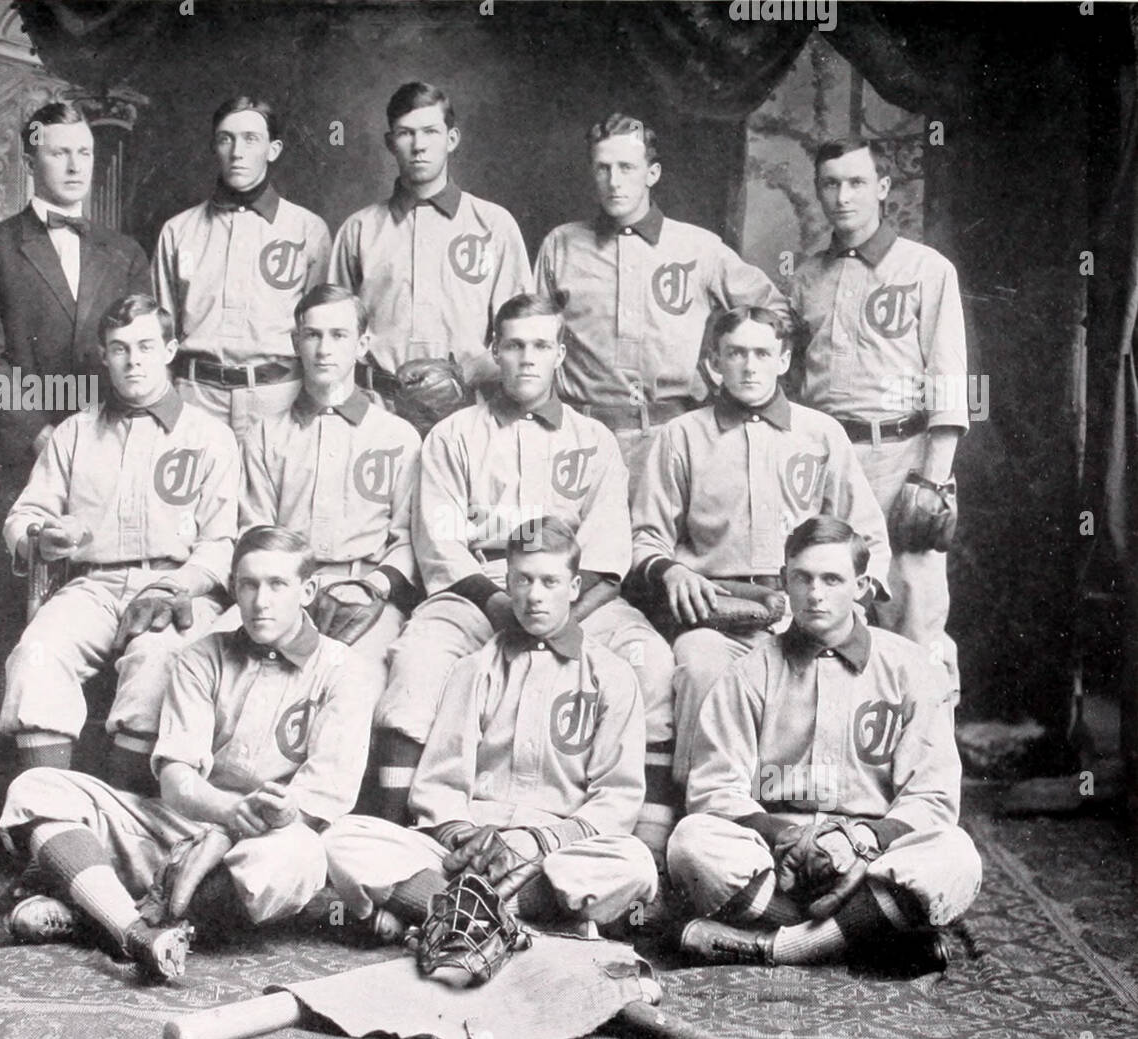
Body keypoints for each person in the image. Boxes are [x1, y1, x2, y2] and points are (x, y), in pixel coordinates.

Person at [373, 294, 676, 871]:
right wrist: (501, 604)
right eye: (514, 345)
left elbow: (608, 551)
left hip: (576, 596)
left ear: (560, 353)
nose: (527, 358)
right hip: (477, 589)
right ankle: (398, 844)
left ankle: (651, 854)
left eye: (541, 345)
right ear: (495, 351)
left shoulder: (594, 439)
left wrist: (552, 612)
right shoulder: (454, 435)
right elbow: (441, 541)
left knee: (650, 659)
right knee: (417, 660)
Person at [0, 526, 378, 981]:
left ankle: (98, 915)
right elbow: (177, 779)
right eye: (248, 584)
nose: (261, 601)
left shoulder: (344, 671)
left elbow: (323, 800)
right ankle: (132, 930)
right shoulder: (202, 656)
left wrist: (234, 832)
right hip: (180, 823)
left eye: (278, 584)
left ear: (308, 590)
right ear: (233, 586)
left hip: (262, 840)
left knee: (301, 859)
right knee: (36, 787)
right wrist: (228, 812)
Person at [665, 516, 981, 968]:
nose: (815, 594)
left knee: (955, 855)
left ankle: (775, 946)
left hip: (872, 858)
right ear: (784, 582)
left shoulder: (911, 670)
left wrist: (860, 839)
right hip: (778, 858)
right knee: (691, 842)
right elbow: (715, 791)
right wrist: (791, 836)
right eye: (803, 578)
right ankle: (867, 933)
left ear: (861, 586)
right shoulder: (748, 673)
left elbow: (931, 796)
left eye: (832, 579)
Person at [325, 517, 657, 937]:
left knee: (633, 864)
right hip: (471, 845)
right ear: (508, 584)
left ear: (573, 588)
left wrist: (537, 843)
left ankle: (449, 912)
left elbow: (617, 798)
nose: (534, 596)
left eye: (550, 582)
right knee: (347, 837)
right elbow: (440, 784)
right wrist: (467, 840)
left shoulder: (611, 675)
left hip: (553, 851)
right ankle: (502, 917)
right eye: (523, 580)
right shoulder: (475, 667)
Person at [0, 100, 150, 778]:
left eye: (84, 153)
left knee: (95, 635)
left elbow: (136, 359)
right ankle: (0, 811)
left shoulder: (123, 254)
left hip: (103, 476)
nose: (73, 165)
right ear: (30, 159)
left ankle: (85, 802)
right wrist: (45, 442)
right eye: (58, 152)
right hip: (12, 472)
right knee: (8, 637)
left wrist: (95, 456)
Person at [631, 305, 890, 782]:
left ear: (784, 360)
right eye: (736, 353)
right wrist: (672, 571)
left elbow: (866, 533)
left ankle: (792, 809)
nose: (749, 366)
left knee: (822, 678)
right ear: (714, 363)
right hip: (717, 612)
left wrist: (853, 600)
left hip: (803, 607)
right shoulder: (681, 435)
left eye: (761, 353)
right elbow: (646, 534)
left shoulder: (820, 434)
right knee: (698, 667)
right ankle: (701, 805)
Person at [0, 295, 238, 791]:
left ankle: (128, 818)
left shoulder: (210, 436)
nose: (133, 361)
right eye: (120, 348)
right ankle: (50, 814)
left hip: (174, 590)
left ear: (170, 350)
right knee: (35, 655)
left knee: (158, 663)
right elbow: (25, 515)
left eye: (146, 346)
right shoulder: (76, 432)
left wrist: (174, 588)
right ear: (104, 356)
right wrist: (42, 538)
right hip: (93, 587)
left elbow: (220, 544)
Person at [789, 137, 967, 696]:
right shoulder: (806, 275)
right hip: (825, 460)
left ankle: (929, 761)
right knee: (830, 605)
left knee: (912, 616)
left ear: (883, 189)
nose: (842, 196)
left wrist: (933, 481)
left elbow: (947, 381)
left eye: (857, 182)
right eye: (830, 183)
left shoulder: (926, 268)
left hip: (900, 458)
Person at [534, 113, 788, 485]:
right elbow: (531, 334)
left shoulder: (698, 247)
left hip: (672, 435)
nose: (614, 181)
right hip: (580, 434)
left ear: (652, 174)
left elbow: (777, 313)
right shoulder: (562, 244)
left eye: (627, 167)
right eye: (603, 168)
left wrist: (713, 373)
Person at [240, 283, 421, 694]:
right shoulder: (266, 434)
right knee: (230, 673)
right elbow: (255, 533)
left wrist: (375, 586)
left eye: (339, 336)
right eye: (313, 335)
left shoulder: (397, 435)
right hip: (281, 593)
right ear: (295, 342)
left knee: (360, 681)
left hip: (365, 592)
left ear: (362, 344)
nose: (324, 349)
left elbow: (409, 537)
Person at [328, 81, 530, 404]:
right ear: (390, 143)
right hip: (379, 406)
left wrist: (465, 377)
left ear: (452, 139)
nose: (418, 145)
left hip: (467, 406)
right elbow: (332, 331)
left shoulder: (494, 225)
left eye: (430, 132)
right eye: (405, 133)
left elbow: (522, 332)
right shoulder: (359, 229)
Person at [152, 96, 331, 442]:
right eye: (225, 138)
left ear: (273, 149)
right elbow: (161, 332)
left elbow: (321, 332)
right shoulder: (178, 230)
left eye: (251, 139)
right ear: (214, 147)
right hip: (197, 396)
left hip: (279, 398)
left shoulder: (308, 229)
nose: (237, 152)